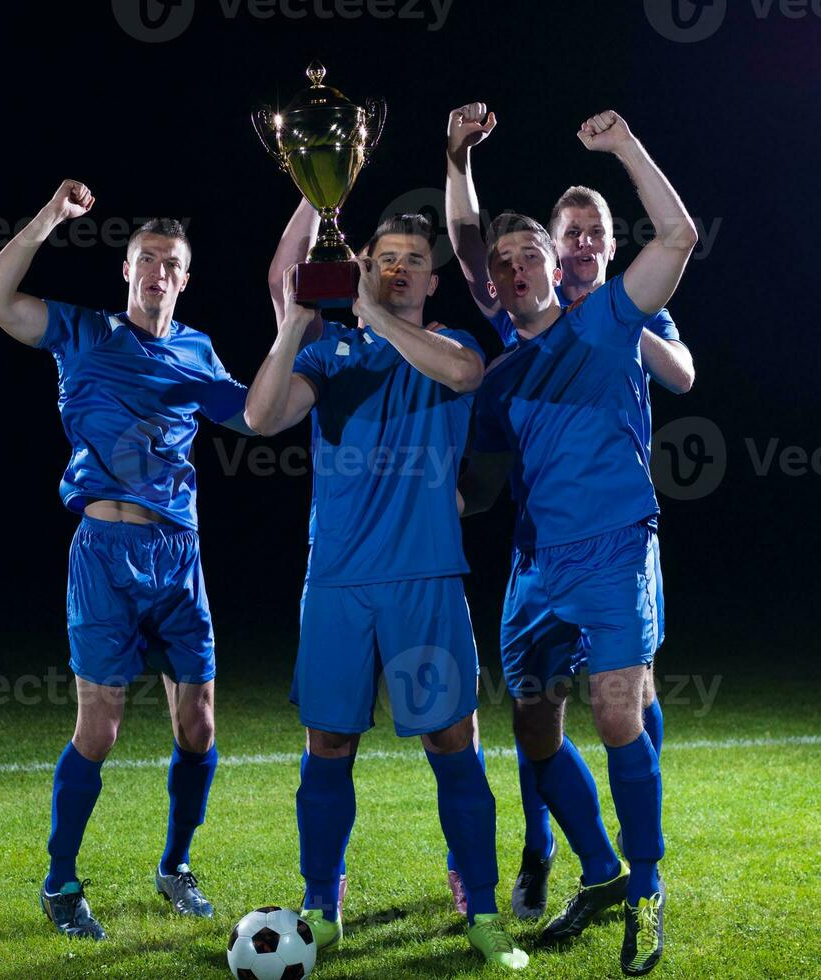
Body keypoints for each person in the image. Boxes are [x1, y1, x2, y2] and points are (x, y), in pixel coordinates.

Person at [244, 212, 528, 970]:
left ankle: (481, 904)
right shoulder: (330, 354)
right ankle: (318, 903)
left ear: (431, 281)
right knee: (329, 744)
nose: (397, 267)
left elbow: (466, 377)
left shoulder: (453, 346)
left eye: (411, 260)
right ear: (362, 265)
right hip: (337, 579)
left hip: (425, 579)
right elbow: (261, 416)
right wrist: (292, 326)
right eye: (383, 257)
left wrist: (370, 311)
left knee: (451, 742)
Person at [0, 180, 252, 939]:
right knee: (98, 729)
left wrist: (304, 327)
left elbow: (256, 414)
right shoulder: (84, 332)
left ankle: (176, 865)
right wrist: (51, 218)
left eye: (171, 262)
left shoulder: (198, 349)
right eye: (146, 258)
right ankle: (60, 883)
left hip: (179, 553)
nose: (158, 270)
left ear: (185, 279)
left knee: (197, 725)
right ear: (126, 271)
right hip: (104, 552)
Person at [458, 110, 699, 976]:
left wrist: (627, 146)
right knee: (532, 725)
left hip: (615, 547)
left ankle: (645, 889)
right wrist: (456, 159)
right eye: (503, 263)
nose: (518, 269)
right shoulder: (498, 361)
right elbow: (463, 237)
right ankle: (596, 871)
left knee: (616, 710)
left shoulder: (602, 322)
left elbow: (676, 234)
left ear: (558, 264)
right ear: (493, 284)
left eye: (532, 255)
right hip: (532, 564)